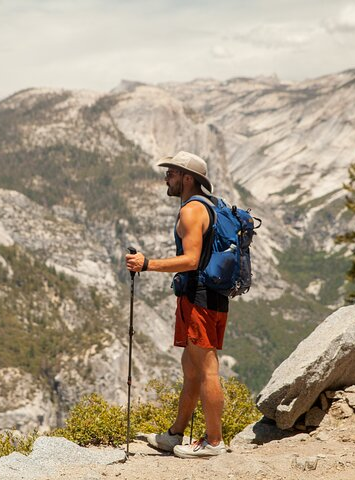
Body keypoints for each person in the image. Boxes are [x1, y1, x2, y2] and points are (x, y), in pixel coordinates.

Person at [125, 151, 228, 459]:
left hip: (200, 299)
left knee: (207, 370)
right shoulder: (206, 206)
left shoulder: (191, 211)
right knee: (192, 370)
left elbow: (191, 260)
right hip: (205, 297)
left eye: (170, 173)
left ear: (187, 178)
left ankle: (213, 441)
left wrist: (147, 264)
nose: (165, 179)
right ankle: (175, 435)